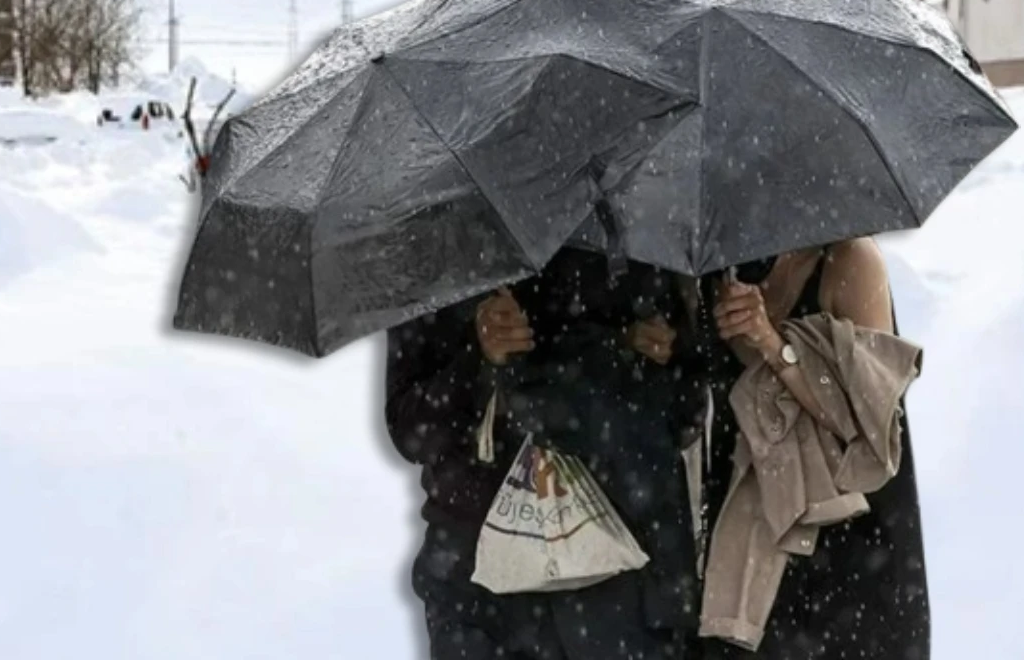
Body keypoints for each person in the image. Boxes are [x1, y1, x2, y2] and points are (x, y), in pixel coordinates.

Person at [386, 247, 703, 660]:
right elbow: (411, 432)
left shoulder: (635, 227)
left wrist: (637, 349)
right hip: (481, 579)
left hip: (624, 567)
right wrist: (479, 360)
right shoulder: (432, 252)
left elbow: (687, 406)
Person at [629, 238, 930, 660]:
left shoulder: (851, 261)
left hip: (849, 548)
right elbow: (698, 400)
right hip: (753, 539)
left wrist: (773, 344)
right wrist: (664, 347)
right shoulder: (717, 271)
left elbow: (868, 424)